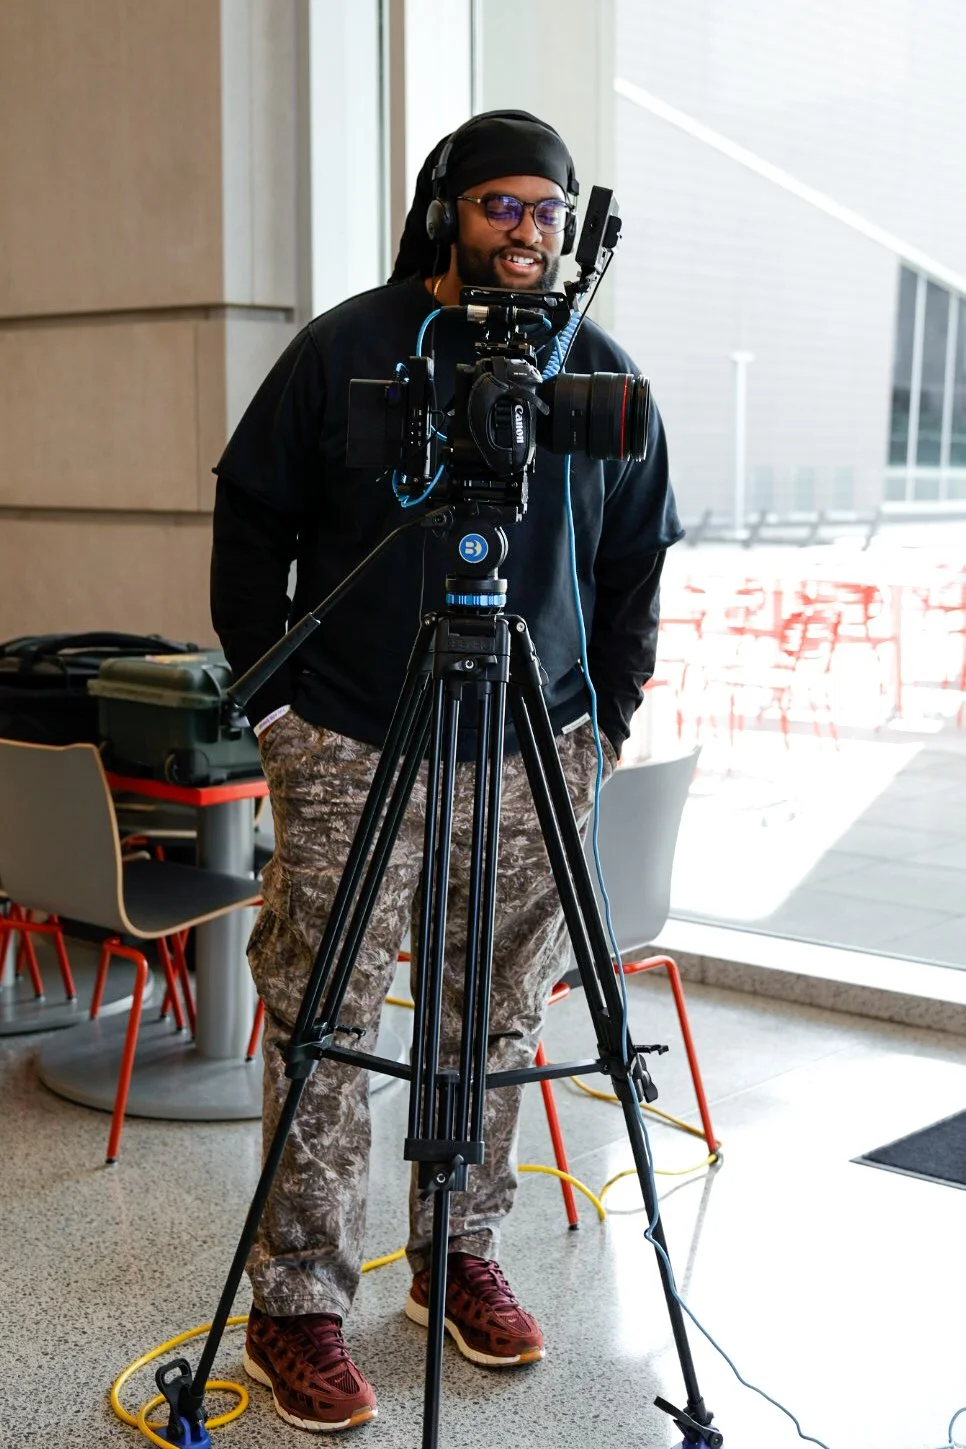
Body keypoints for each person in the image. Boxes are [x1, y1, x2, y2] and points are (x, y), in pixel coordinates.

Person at [210, 108, 682, 1434]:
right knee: (325, 1017)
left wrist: (606, 720)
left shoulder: (597, 373)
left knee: (497, 1016)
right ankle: (296, 1300)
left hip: (537, 747)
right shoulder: (345, 350)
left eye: (547, 210)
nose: (526, 232)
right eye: (499, 205)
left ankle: (457, 1253)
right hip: (351, 739)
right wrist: (279, 705)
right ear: (444, 214)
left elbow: (636, 561)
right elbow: (249, 518)